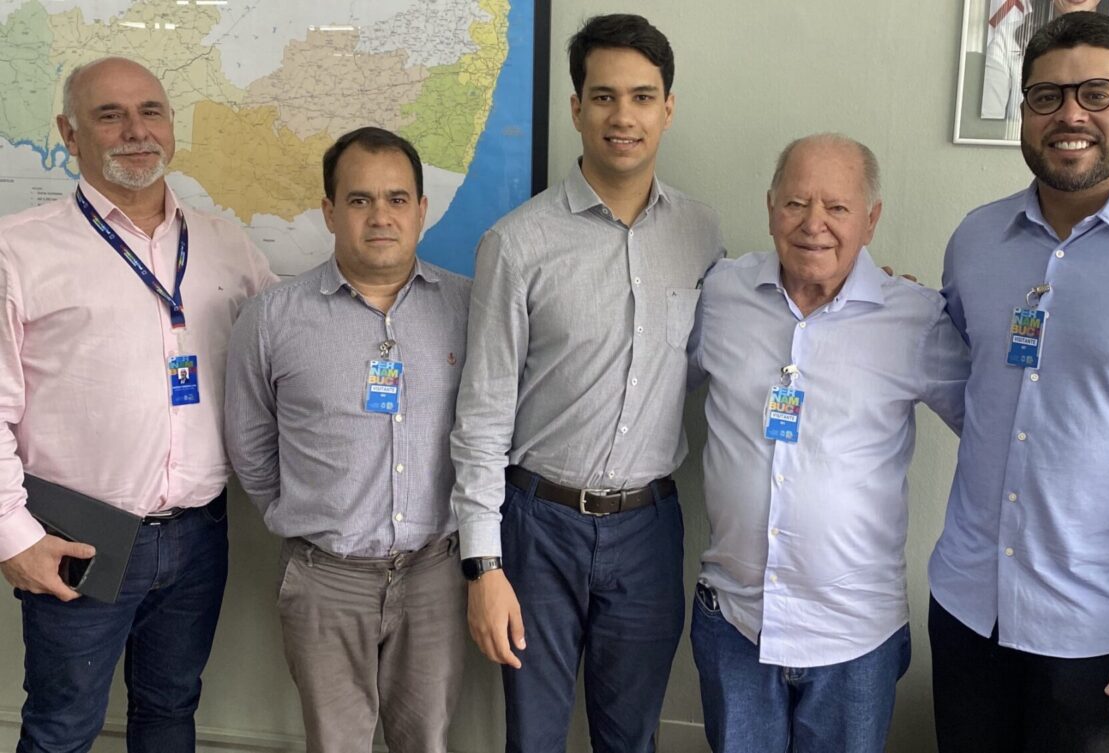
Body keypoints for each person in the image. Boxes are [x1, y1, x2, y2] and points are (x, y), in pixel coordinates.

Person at [449, 13, 723, 752]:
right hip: (537, 527)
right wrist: (483, 565)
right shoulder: (517, 243)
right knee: (533, 738)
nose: (622, 116)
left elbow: (728, 351)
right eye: (604, 97)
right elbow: (482, 416)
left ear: (668, 108)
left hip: (648, 529)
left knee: (631, 738)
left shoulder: (702, 234)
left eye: (642, 97)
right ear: (576, 108)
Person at [930, 12, 1109, 753]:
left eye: (1096, 93)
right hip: (967, 606)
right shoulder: (976, 239)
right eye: (1046, 96)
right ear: (1024, 112)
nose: (1070, 114)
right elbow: (973, 381)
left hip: (1104, 631)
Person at [0, 57, 274, 752]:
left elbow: (289, 354)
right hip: (79, 535)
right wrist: (14, 537)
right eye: (109, 115)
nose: (135, 131)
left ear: (171, 126)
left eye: (150, 111)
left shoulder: (227, 244)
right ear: (69, 133)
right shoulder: (17, 250)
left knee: (171, 709)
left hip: (200, 534)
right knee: (63, 728)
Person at [687, 134, 969, 753]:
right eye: (796, 203)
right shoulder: (721, 295)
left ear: (871, 220)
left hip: (855, 637)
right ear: (770, 209)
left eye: (837, 207)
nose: (814, 224)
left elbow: (997, 429)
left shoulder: (914, 318)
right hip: (736, 622)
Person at [224, 127, 470, 753]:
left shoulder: (468, 308)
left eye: (397, 198)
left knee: (428, 742)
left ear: (421, 209)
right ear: (330, 211)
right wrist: (301, 515)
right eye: (360, 200)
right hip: (325, 579)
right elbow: (250, 442)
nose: (380, 216)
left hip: (435, 574)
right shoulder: (272, 317)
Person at [981, 0, 1109, 127]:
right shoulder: (1007, 37)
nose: (1072, 117)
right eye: (1046, 97)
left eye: (1097, 96)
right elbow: (986, 122)